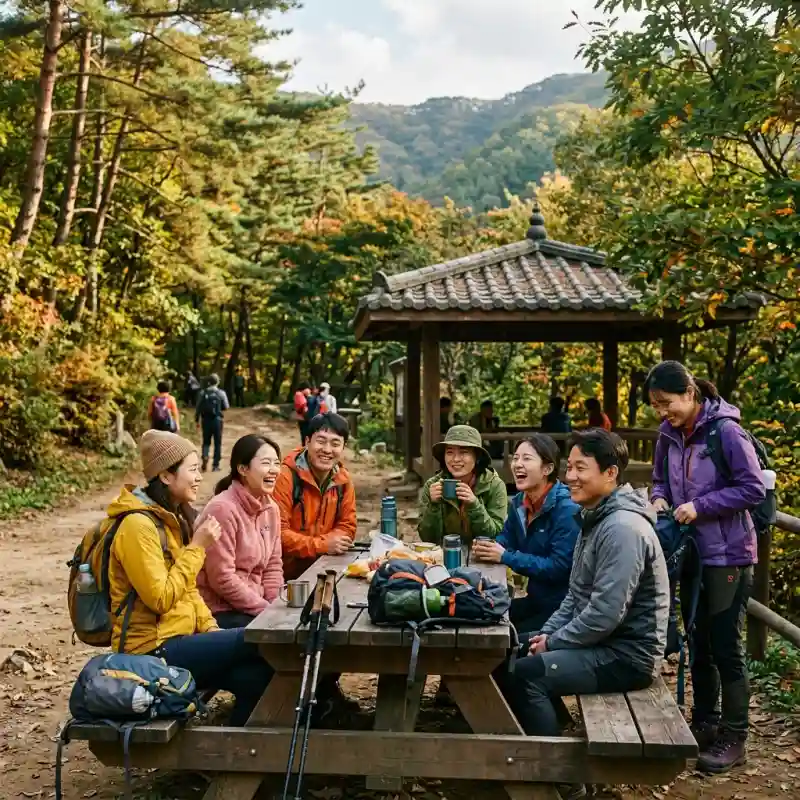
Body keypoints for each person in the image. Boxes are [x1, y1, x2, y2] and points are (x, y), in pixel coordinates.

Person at [508, 430, 668, 800]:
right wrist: (547, 635)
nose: (570, 477)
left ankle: (565, 781)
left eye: (581, 468)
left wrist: (553, 643)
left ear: (610, 473)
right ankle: (550, 740)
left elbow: (604, 614)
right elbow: (576, 595)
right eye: (569, 467)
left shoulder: (622, 528)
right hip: (604, 642)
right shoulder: (594, 517)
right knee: (512, 650)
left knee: (527, 676)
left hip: (628, 655)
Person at [106, 430, 273, 726]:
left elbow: (189, 590)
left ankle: (233, 750)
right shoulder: (137, 527)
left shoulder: (172, 519)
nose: (199, 477)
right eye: (193, 469)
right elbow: (160, 598)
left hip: (183, 639)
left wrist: (211, 631)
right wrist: (197, 547)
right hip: (150, 650)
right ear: (166, 476)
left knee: (259, 675)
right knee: (260, 639)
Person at [648, 361, 766, 774]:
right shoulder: (668, 434)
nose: (662, 412)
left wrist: (700, 506)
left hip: (729, 554)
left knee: (725, 645)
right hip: (692, 553)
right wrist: (659, 498)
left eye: (666, 402)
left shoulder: (726, 432)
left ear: (690, 393)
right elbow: (659, 478)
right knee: (698, 640)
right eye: (655, 405)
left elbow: (752, 488)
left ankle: (735, 736)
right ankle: (705, 722)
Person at [474, 434, 580, 632]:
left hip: (562, 610)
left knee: (500, 637)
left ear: (547, 469)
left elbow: (558, 568)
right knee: (479, 615)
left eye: (527, 458)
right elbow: (507, 538)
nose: (517, 464)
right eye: (515, 458)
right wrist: (489, 547)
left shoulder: (567, 509)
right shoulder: (520, 502)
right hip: (535, 600)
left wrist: (505, 556)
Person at [196, 435, 283, 629]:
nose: (274, 470)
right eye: (266, 463)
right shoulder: (222, 509)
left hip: (256, 606)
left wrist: (275, 605)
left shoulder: (271, 509)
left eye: (277, 463)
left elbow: (273, 566)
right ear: (243, 469)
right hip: (220, 611)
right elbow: (222, 578)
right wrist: (265, 611)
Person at [274, 412, 357, 581]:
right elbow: (277, 534)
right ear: (307, 441)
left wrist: (327, 545)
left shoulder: (343, 480)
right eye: (321, 441)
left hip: (323, 569)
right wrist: (323, 545)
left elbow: (347, 526)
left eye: (335, 443)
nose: (327, 450)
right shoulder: (285, 477)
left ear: (343, 447)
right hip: (282, 576)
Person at [418, 425, 508, 547]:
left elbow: (495, 535)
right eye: (450, 452)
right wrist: (433, 506)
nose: (456, 459)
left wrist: (474, 505)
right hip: (444, 553)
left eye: (464, 452)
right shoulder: (432, 485)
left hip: (481, 554)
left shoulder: (494, 485)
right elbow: (427, 539)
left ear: (477, 457)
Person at [195, 374, 229, 472]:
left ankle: (205, 457)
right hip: (217, 420)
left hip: (205, 420)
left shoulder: (202, 393)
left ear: (209, 382)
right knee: (217, 443)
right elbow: (226, 407)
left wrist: (197, 420)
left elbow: (198, 408)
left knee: (206, 441)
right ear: (217, 382)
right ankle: (215, 465)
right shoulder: (221, 393)